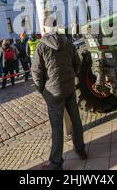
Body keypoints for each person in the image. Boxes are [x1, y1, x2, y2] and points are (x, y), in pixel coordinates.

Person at [31, 17, 86, 170]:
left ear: (45, 28)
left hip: (53, 92)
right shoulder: (67, 42)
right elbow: (77, 63)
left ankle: (56, 163)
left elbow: (36, 72)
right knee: (76, 120)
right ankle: (81, 150)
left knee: (57, 128)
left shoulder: (41, 46)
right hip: (68, 88)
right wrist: (71, 76)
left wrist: (42, 90)